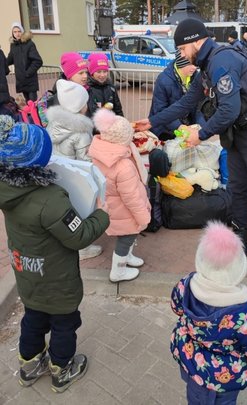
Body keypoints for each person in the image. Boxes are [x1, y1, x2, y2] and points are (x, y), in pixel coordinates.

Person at [135, 18, 247, 290]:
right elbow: (188, 101)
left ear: (195, 42)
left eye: (182, 48)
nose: (181, 55)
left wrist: (200, 134)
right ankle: (241, 239)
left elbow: (228, 110)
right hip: (240, 136)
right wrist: (152, 122)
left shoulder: (222, 61)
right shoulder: (207, 65)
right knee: (239, 189)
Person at [0, 115, 109, 393]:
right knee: (64, 324)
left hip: (26, 274)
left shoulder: (7, 190)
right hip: (57, 280)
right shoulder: (50, 199)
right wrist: (101, 216)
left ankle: (29, 366)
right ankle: (62, 369)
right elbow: (79, 236)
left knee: (33, 320)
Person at [170, 221, 247, 405]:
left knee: (195, 397)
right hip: (224, 377)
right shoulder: (245, 314)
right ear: (238, 270)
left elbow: (176, 308)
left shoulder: (185, 286)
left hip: (192, 362)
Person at [89, 109, 151, 282]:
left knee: (127, 235)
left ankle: (127, 257)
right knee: (127, 237)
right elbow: (131, 197)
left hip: (112, 206)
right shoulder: (123, 166)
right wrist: (143, 217)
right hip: (125, 211)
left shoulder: (101, 153)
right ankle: (118, 270)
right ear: (123, 139)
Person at [47, 79, 103, 261]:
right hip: (76, 177)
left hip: (58, 174)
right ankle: (82, 247)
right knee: (81, 211)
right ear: (80, 106)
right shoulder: (81, 132)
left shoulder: (54, 124)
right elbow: (87, 160)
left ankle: (63, 240)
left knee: (65, 211)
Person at [149, 49, 199, 140]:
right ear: (181, 63)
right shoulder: (163, 80)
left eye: (195, 64)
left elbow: (199, 107)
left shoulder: (196, 77)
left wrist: (200, 127)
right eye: (190, 64)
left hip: (186, 130)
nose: (194, 67)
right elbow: (160, 110)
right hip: (164, 131)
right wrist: (180, 127)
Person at [7, 22, 43, 102]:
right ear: (12, 33)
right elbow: (10, 59)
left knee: (33, 104)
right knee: (27, 103)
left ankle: (35, 115)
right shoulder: (13, 45)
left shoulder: (29, 44)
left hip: (30, 80)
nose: (17, 34)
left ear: (22, 32)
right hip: (21, 81)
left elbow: (38, 61)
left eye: (19, 31)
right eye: (15, 32)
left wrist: (28, 73)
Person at [87, 53, 123, 117]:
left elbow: (118, 109)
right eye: (99, 72)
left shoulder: (111, 88)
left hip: (111, 124)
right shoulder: (88, 89)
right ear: (92, 73)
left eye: (105, 71)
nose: (102, 75)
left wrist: (121, 122)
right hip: (94, 125)